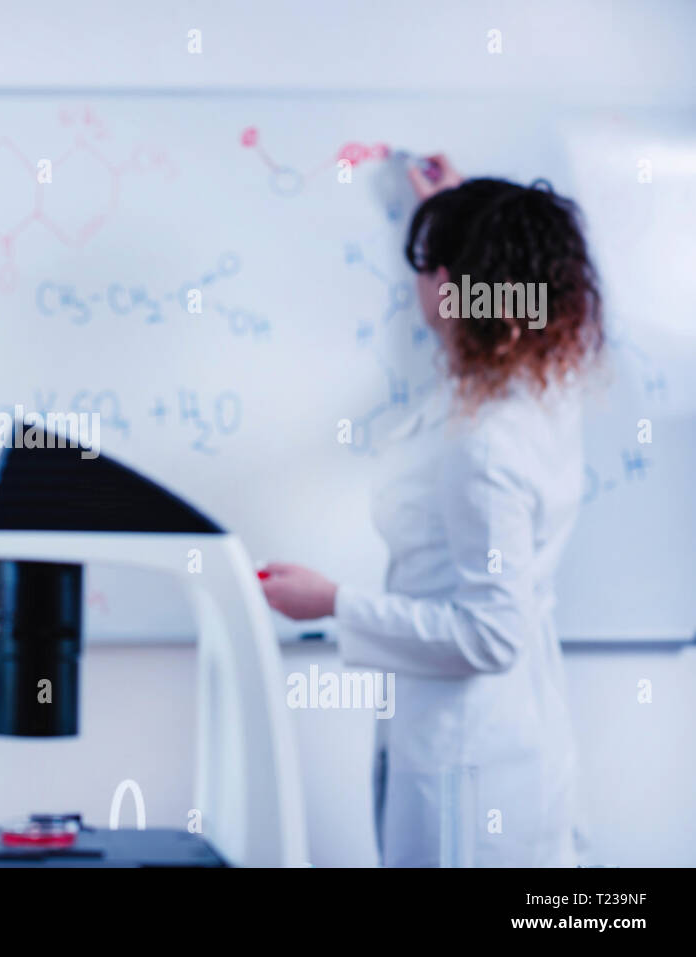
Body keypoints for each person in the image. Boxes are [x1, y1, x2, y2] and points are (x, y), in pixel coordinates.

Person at [260, 157, 604, 867]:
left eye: (430, 270)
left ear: (448, 287)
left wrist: (333, 602)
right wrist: (454, 212)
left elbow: (489, 635)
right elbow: (506, 300)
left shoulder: (486, 445)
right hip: (507, 735)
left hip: (468, 760)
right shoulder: (545, 391)